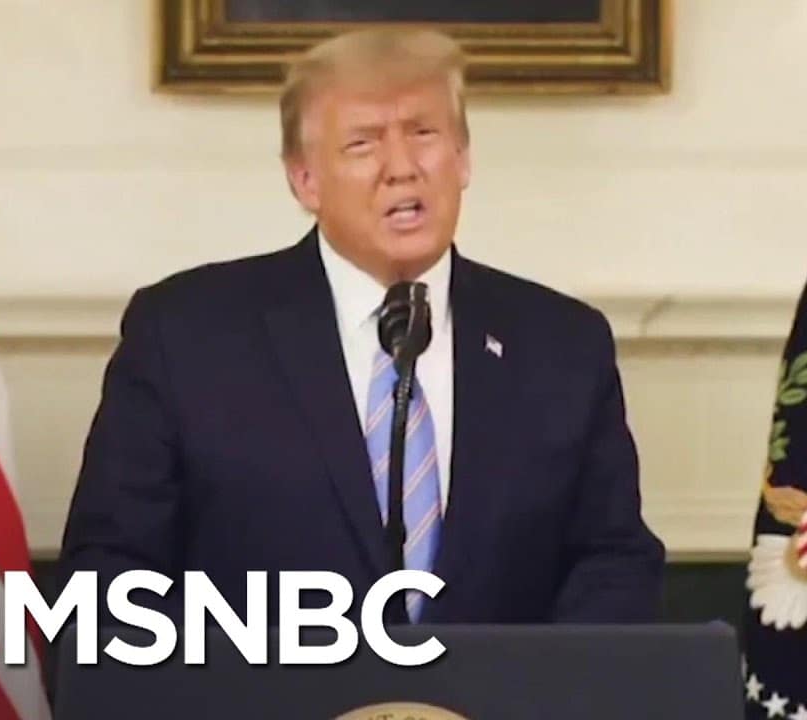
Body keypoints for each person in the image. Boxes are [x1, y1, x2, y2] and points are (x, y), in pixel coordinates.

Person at [58, 27, 664, 625]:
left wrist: (548, 682)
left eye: (423, 133)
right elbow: (110, 577)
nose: (402, 168)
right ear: (305, 180)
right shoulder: (186, 337)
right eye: (362, 144)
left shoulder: (561, 345)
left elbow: (612, 561)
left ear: (462, 158)